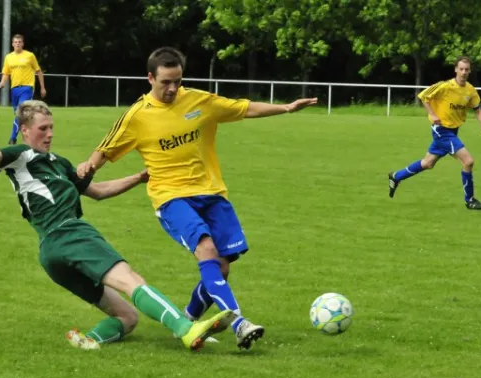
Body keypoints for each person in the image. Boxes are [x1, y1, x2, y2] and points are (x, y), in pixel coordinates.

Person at [0, 100, 234, 352]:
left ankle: (88, 340)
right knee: (131, 280)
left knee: (127, 317)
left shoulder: (60, 163)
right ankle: (187, 329)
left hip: (51, 255)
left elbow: (98, 191)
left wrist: (139, 178)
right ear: (24, 131)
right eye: (42, 128)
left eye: (51, 127)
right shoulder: (20, 156)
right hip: (69, 234)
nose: (49, 134)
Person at [77, 47, 318, 350]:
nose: (172, 88)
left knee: (222, 267)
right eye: (165, 81)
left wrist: (286, 108)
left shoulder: (199, 102)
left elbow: (243, 108)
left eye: (177, 81)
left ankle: (188, 320)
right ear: (150, 78)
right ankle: (240, 322)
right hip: (171, 198)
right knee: (206, 249)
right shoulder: (137, 117)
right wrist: (89, 165)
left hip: (212, 193)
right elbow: (106, 148)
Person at [387, 56, 481, 209]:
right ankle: (469, 200)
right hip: (442, 131)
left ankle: (396, 176)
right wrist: (432, 114)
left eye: (466, 69)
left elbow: (477, 110)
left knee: (428, 163)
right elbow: (424, 96)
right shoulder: (445, 86)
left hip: (453, 131)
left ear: (470, 71)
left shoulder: (470, 90)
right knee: (468, 161)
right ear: (455, 69)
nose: (463, 72)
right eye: (461, 69)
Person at [0, 34, 47, 146]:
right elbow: (6, 72)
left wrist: (42, 88)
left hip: (27, 88)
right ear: (12, 44)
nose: (17, 44)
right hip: (14, 89)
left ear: (23, 44)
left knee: (19, 113)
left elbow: (38, 71)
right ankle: (32, 134)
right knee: (20, 116)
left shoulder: (29, 56)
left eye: (19, 42)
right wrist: (2, 81)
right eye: (15, 42)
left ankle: (12, 138)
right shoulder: (9, 57)